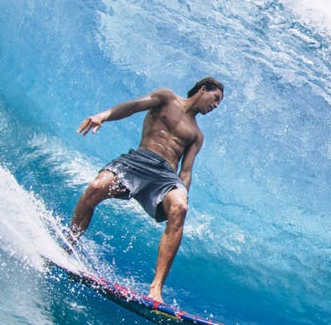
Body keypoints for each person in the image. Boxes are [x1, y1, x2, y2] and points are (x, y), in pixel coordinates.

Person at [67, 77, 225, 302]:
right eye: (215, 98)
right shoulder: (166, 97)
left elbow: (186, 171)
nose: (215, 105)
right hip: (139, 161)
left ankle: (156, 289)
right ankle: (67, 246)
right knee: (96, 188)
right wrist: (103, 116)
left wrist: (183, 194)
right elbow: (133, 107)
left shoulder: (197, 135)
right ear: (202, 90)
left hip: (165, 176)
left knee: (179, 207)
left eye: (218, 103)